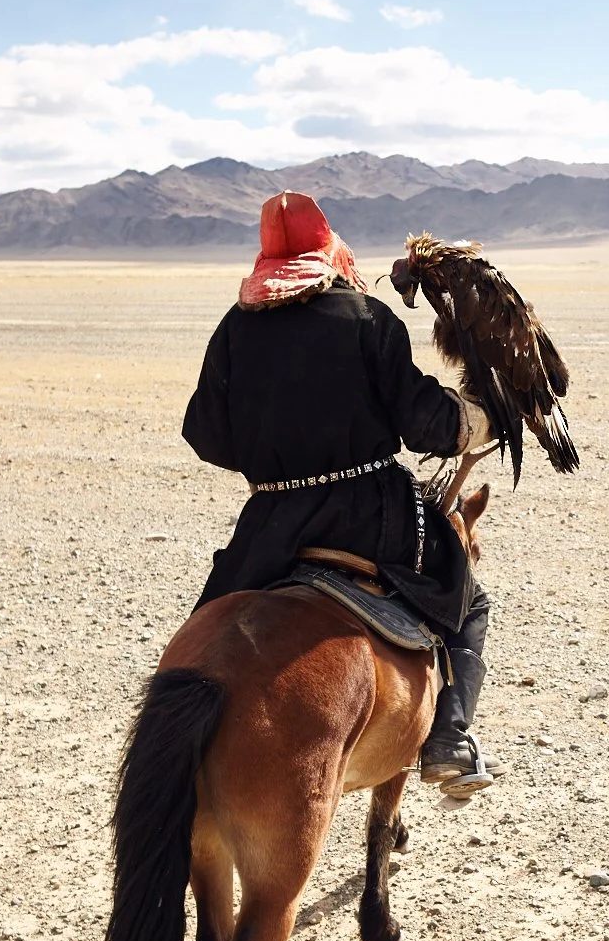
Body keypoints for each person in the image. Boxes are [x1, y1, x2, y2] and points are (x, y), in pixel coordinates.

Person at [181, 190, 498, 796]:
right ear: (328, 255)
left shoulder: (234, 328)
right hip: (369, 515)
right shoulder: (366, 318)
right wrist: (483, 417)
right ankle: (449, 738)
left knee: (208, 628)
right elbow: (428, 425)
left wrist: (275, 455)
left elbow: (206, 436)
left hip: (270, 523)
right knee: (465, 594)